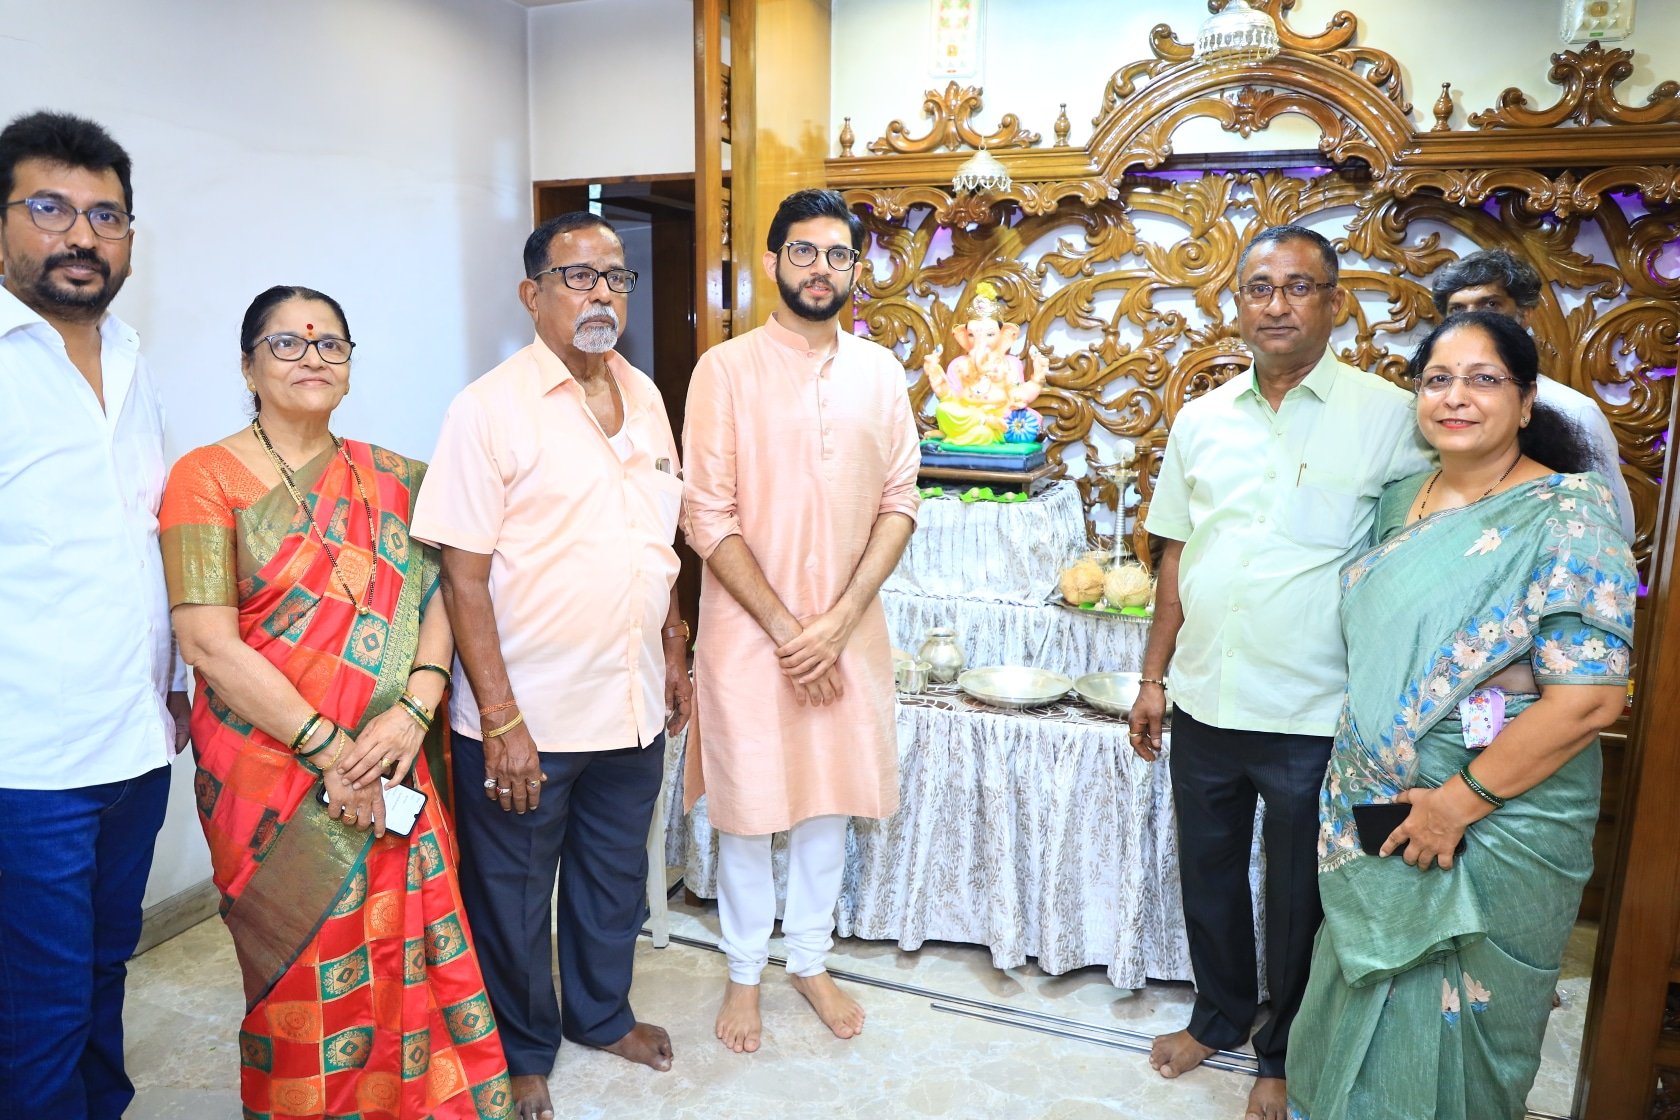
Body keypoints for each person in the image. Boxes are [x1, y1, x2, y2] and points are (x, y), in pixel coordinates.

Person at [163, 286, 513, 1119]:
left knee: (409, 943)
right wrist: (329, 750)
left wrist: (415, 708)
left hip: (396, 753)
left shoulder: (399, 478)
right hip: (268, 768)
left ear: (350, 368)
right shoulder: (203, 478)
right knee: (299, 949)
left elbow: (441, 594)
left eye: (330, 346)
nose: (312, 358)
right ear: (247, 365)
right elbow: (208, 641)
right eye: (286, 344)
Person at [1285, 311, 1632, 1118]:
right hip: (1377, 797)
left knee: (1461, 1011)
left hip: (1496, 812)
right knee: (1357, 971)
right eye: (1438, 379)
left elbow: (1588, 702)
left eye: (1484, 379)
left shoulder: (1570, 516)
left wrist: (1455, 805)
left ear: (1526, 399)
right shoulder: (1402, 498)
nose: (1457, 397)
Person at [1129, 224, 1434, 1120]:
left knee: (1300, 895)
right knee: (1210, 874)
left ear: (1334, 305)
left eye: (1299, 287)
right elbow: (1176, 560)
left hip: (1315, 710)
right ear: (1237, 304)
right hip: (1207, 697)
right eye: (1259, 287)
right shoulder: (1201, 418)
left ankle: (1285, 1051)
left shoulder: (1387, 416)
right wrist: (1154, 679)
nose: (1276, 303)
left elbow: (1414, 556)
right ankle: (1218, 1016)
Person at [411, 212, 691, 1120]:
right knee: (516, 896)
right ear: (533, 294)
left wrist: (674, 649)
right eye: (577, 278)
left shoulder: (646, 395)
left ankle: (601, 1014)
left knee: (613, 881)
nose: (601, 293)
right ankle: (522, 1048)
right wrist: (498, 717)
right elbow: (463, 573)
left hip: (634, 700)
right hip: (525, 715)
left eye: (615, 277)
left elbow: (660, 544)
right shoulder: (486, 409)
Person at [682, 187, 920, 1055]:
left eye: (839, 256)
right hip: (750, 638)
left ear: (858, 269)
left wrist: (841, 619)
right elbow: (706, 516)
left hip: (849, 632)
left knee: (826, 803)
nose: (822, 270)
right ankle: (746, 971)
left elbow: (900, 501)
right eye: (805, 252)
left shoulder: (880, 372)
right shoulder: (726, 369)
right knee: (750, 806)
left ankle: (810, 959)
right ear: (774, 262)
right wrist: (791, 631)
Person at [0, 110, 187, 1120]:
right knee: (36, 1007)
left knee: (108, 969)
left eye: (105, 214)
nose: (81, 235)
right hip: (25, 761)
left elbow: (148, 540)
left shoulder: (129, 356)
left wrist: (177, 684)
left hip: (134, 740)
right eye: (50, 207)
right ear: (2, 228)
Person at [1430, 247, 1636, 540]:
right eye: (1458, 309)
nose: (1472, 321)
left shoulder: (1575, 411)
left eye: (1489, 305)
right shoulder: (1432, 406)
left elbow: (1616, 531)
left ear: (1524, 314)